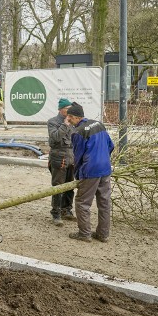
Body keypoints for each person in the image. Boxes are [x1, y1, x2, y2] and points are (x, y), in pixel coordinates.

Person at [66, 102, 114, 243]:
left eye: (69, 117)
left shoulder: (78, 132)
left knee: (82, 202)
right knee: (104, 202)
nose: (68, 120)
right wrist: (103, 160)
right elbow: (111, 145)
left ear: (75, 117)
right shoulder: (99, 124)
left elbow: (78, 156)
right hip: (105, 169)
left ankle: (84, 234)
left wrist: (79, 174)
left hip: (90, 171)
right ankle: (103, 234)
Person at [47, 98, 76, 226]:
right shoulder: (53, 122)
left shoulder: (74, 122)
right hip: (59, 157)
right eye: (67, 109)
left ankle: (66, 210)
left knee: (70, 185)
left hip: (71, 157)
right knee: (58, 186)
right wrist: (65, 124)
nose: (70, 111)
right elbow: (56, 137)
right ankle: (56, 213)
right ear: (60, 109)